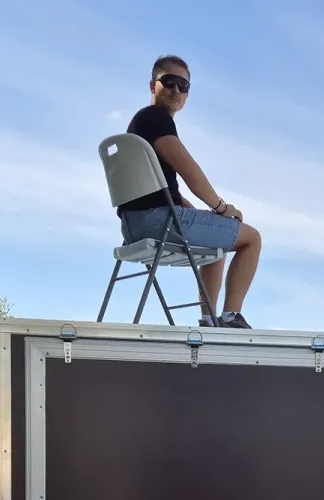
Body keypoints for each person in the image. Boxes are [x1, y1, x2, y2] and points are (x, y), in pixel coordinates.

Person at [117, 55, 262, 329]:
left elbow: (158, 187)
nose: (176, 90)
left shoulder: (140, 124)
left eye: (183, 85)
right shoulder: (156, 118)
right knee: (251, 238)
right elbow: (189, 170)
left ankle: (209, 319)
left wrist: (192, 208)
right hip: (158, 221)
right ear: (153, 85)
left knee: (216, 238)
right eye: (169, 81)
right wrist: (222, 208)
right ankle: (231, 317)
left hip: (132, 226)